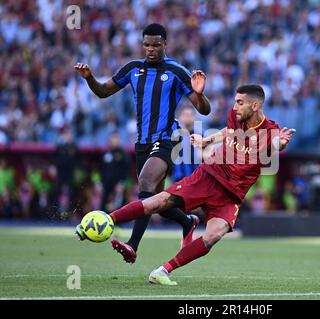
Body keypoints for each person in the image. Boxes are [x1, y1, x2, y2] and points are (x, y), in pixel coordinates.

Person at [76, 84, 295, 285]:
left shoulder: (270, 132)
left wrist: (281, 144)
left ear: (255, 105)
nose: (234, 106)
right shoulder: (235, 116)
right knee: (158, 202)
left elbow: (276, 144)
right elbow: (230, 131)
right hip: (208, 177)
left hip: (231, 195)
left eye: (240, 102)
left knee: (213, 235)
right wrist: (208, 140)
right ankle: (106, 219)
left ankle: (162, 271)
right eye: (235, 101)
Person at [74, 23, 211, 263]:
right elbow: (104, 92)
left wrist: (199, 94)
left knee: (145, 184)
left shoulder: (177, 72)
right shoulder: (132, 69)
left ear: (165, 44)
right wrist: (89, 78)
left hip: (168, 138)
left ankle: (132, 245)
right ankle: (187, 221)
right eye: (147, 44)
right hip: (142, 143)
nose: (151, 49)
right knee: (156, 201)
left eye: (156, 45)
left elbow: (204, 109)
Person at [100, 133, 130, 211]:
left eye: (115, 139)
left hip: (118, 184)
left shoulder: (123, 154)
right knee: (104, 204)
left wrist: (121, 183)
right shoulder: (106, 153)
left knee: (118, 205)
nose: (113, 141)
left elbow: (126, 170)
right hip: (106, 184)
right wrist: (99, 183)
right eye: (112, 139)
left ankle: (120, 222)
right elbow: (101, 170)